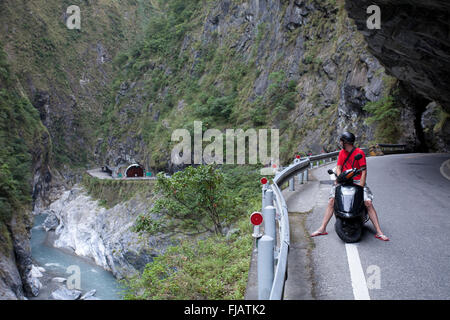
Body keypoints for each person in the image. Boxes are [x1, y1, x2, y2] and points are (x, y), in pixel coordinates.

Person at [310, 132, 389, 241]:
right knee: (331, 201)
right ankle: (322, 228)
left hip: (357, 181)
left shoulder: (359, 153)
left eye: (341, 141)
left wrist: (361, 187)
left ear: (345, 142)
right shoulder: (342, 153)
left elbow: (364, 172)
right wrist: (338, 178)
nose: (340, 143)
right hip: (343, 180)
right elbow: (339, 167)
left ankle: (379, 232)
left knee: (368, 203)